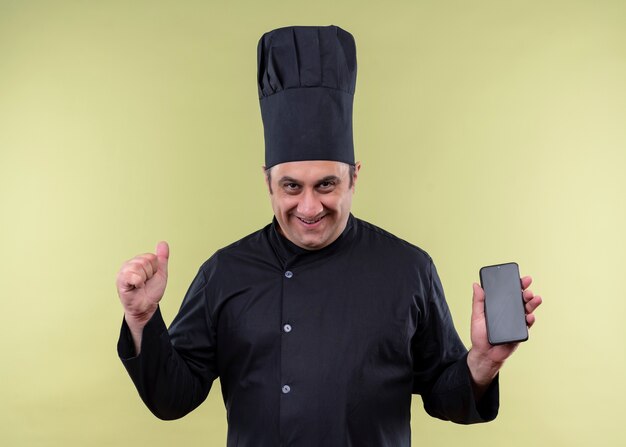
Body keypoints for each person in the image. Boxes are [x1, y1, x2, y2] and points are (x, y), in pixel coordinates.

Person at [116, 25, 542, 446]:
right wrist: (141, 320)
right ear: (267, 181)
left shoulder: (408, 268)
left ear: (354, 177)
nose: (308, 208)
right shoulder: (224, 272)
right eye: (291, 187)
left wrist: (483, 361)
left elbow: (443, 396)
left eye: (326, 185)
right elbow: (173, 399)